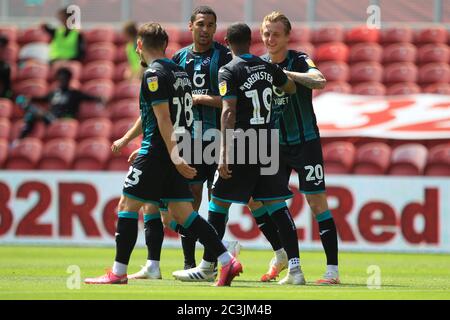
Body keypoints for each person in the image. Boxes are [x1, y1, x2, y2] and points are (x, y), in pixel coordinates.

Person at [84, 22, 243, 286]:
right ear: (165, 45)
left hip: (159, 151)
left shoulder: (153, 75)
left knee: (127, 206)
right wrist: (176, 152)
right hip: (175, 148)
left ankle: (118, 272)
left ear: (139, 45)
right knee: (183, 214)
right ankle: (227, 261)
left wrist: (173, 155)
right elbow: (182, 115)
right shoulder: (179, 72)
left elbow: (163, 119)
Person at [177, 22, 305, 285]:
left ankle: (207, 265)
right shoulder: (267, 66)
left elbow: (227, 111)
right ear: (251, 40)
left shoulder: (229, 69)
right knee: (277, 206)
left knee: (217, 205)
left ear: (226, 41)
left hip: (242, 143)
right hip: (267, 143)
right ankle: (295, 270)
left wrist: (223, 153)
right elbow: (290, 87)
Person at [260, 12, 340, 285]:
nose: (270, 39)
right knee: (264, 201)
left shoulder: (301, 59)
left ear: (287, 37)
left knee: (316, 203)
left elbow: (320, 81)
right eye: (266, 33)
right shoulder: (258, 65)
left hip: (306, 142)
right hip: (274, 146)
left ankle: (332, 271)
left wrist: (285, 74)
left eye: (276, 34)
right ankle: (286, 260)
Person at [16, 67, 102, 139]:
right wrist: (30, 98)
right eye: (60, 79)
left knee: (35, 112)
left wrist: (100, 98)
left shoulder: (74, 93)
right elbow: (43, 98)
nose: (62, 81)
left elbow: (89, 97)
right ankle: (21, 138)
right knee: (29, 111)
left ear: (69, 80)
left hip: (65, 118)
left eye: (65, 79)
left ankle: (21, 137)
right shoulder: (54, 93)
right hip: (50, 118)